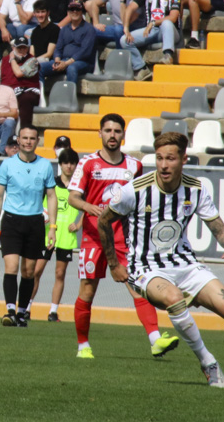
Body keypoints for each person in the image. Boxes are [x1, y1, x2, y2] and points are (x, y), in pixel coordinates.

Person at [100, 132, 224, 391]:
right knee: (173, 298)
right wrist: (114, 264)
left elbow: (216, 226)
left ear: (183, 159)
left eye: (170, 158)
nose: (164, 165)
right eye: (159, 158)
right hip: (146, 268)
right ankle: (208, 363)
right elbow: (104, 221)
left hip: (185, 264)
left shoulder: (195, 188)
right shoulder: (134, 190)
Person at [68, 114, 177, 359]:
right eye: (108, 130)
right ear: (100, 133)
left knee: (138, 287)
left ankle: (155, 340)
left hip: (124, 239)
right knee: (87, 290)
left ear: (123, 135)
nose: (112, 135)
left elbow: (142, 198)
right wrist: (88, 207)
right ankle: (83, 346)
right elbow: (73, 197)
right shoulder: (88, 163)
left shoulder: (134, 166)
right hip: (94, 237)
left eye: (117, 131)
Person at [0, 125, 58, 326]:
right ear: (18, 140)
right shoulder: (7, 165)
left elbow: (51, 197)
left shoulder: (45, 166)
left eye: (32, 138)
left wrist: (52, 227)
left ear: (37, 141)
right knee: (11, 266)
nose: (28, 141)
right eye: (24, 138)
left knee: (28, 272)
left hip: (35, 222)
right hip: (11, 221)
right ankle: (10, 310)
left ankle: (21, 313)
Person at [34, 144, 81, 322]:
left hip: (66, 238)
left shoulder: (79, 188)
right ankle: (26, 307)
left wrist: (78, 224)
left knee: (60, 274)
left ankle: (53, 312)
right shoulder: (51, 184)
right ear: (60, 164)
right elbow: (40, 206)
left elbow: (90, 207)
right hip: (48, 234)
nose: (69, 166)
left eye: (72, 163)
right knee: (36, 271)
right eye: (66, 163)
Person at [122, 0, 180, 80]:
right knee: (124, 40)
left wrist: (153, 22)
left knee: (166, 23)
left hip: (171, 32)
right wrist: (126, 28)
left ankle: (168, 55)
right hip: (152, 31)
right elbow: (130, 8)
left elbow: (173, 18)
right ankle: (141, 69)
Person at [51, 0, 95, 83]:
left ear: (82, 11)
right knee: (41, 67)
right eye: (72, 9)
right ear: (68, 12)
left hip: (82, 62)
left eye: (78, 9)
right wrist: (57, 62)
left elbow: (84, 52)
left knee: (72, 68)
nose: (75, 11)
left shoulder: (89, 29)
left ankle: (69, 95)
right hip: (63, 60)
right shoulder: (64, 29)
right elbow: (58, 48)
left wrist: (66, 63)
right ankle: (39, 94)